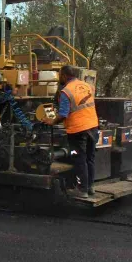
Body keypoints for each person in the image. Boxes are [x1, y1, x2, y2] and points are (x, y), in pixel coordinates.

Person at [42, 65, 99, 198]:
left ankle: (82, 190)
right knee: (90, 158)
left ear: (64, 75)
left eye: (60, 75)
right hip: (93, 126)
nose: (59, 78)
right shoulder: (86, 86)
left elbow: (63, 114)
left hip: (78, 130)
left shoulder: (66, 91)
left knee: (80, 158)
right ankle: (90, 187)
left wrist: (52, 121)